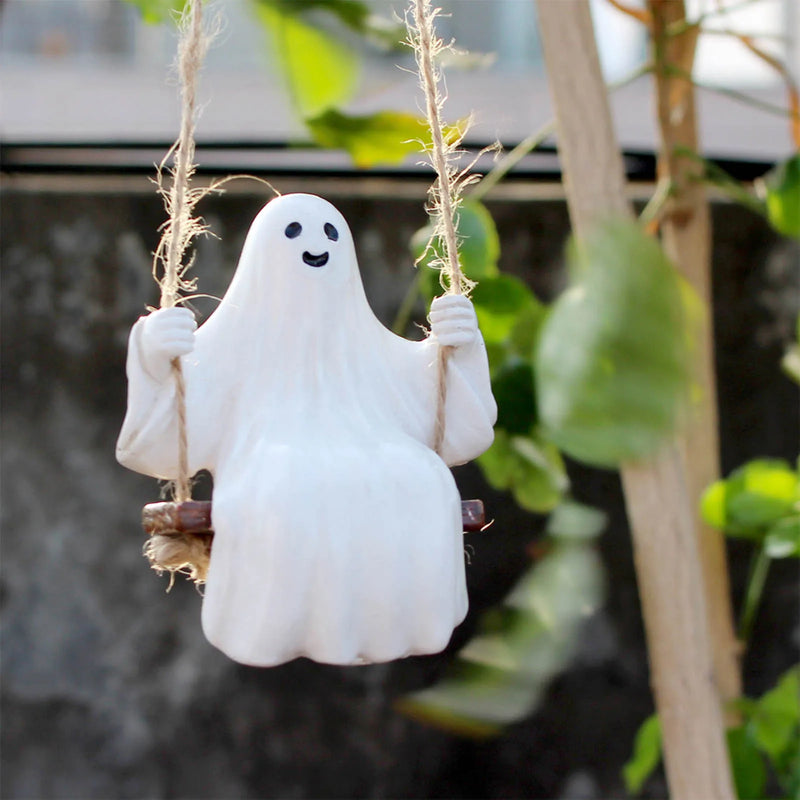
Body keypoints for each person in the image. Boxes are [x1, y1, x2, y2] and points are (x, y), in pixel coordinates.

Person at [117, 193, 496, 666]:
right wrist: (155, 353)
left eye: (330, 234)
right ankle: (278, 630)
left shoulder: (376, 352)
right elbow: (161, 438)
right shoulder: (221, 349)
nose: (315, 245)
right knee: (287, 484)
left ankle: (399, 626)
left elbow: (450, 416)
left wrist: (459, 346)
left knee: (421, 477)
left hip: (380, 448)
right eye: (293, 233)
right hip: (266, 457)